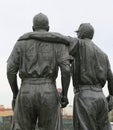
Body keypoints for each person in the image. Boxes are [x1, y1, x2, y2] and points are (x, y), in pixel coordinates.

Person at [7, 13, 70, 130]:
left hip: (26, 90)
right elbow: (66, 70)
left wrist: (16, 94)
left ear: (33, 28)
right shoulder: (58, 43)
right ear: (48, 28)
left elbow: (10, 70)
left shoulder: (20, 43)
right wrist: (65, 95)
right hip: (49, 91)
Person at [69, 23, 113, 130]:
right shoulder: (103, 54)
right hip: (101, 98)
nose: (77, 35)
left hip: (85, 97)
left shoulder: (79, 44)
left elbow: (59, 38)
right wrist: (111, 96)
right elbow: (111, 78)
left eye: (78, 33)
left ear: (81, 33)